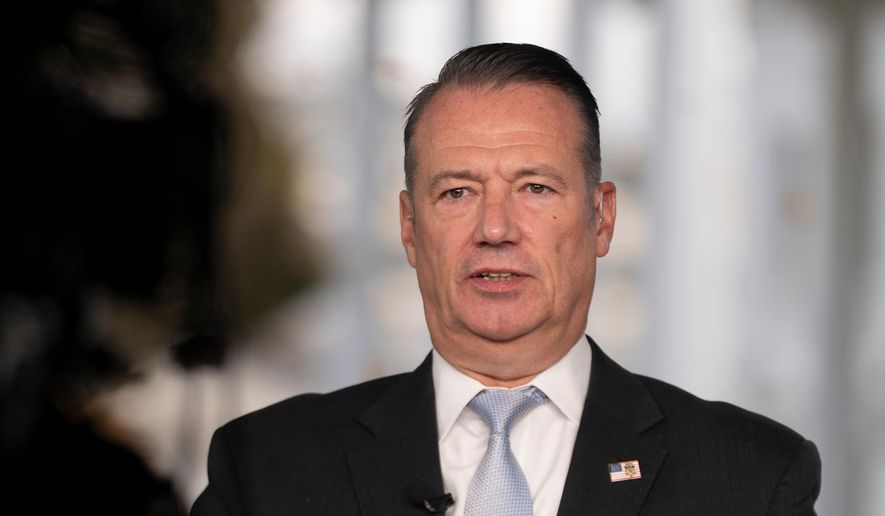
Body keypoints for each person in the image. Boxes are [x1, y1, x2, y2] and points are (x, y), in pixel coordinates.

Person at [191, 43, 821, 515]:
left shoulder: (752, 479)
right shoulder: (265, 472)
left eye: (535, 188)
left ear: (601, 219)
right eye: (458, 191)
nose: (495, 228)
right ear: (410, 228)